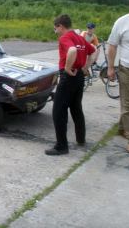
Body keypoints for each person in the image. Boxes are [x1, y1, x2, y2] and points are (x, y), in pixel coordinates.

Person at [46, 14, 96, 156]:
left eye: (55, 29)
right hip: (79, 77)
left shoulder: (65, 38)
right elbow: (94, 50)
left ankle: (61, 146)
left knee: (58, 112)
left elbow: (72, 50)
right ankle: (81, 139)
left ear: (60, 26)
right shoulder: (79, 37)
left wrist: (67, 68)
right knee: (76, 108)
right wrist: (86, 67)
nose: (55, 32)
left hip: (68, 77)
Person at [107, 13, 129, 153]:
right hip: (128, 68)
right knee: (128, 103)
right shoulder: (122, 22)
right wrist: (110, 67)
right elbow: (112, 46)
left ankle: (124, 129)